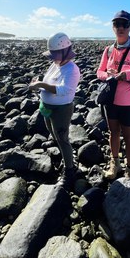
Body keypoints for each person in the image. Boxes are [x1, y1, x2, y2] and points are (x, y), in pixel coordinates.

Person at [96, 10, 130, 185]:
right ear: (113, 27)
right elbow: (99, 71)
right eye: (116, 24)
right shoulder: (109, 50)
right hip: (111, 100)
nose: (120, 28)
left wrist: (126, 74)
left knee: (129, 137)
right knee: (113, 133)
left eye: (124, 24)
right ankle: (115, 165)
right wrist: (109, 75)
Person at [29, 32, 80, 189]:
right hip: (48, 107)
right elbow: (47, 81)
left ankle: (70, 170)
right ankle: (67, 159)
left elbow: (65, 89)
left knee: (62, 138)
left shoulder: (72, 69)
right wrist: (38, 83)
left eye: (54, 54)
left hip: (61, 109)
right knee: (54, 135)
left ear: (65, 51)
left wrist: (41, 86)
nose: (51, 58)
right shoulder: (55, 65)